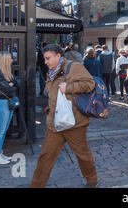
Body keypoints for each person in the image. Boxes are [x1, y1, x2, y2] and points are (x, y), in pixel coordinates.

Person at [30, 44, 98, 188]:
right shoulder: (51, 71)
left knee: (83, 155)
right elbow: (54, 93)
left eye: (48, 58)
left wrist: (69, 87)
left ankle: (92, 180)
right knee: (45, 156)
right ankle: (36, 185)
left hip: (75, 123)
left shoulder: (74, 67)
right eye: (44, 59)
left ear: (58, 56)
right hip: (55, 122)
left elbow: (90, 84)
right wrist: (51, 107)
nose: (45, 62)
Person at [0, 51, 18, 164]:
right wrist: (12, 84)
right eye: (10, 59)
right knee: (1, 130)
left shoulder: (6, 73)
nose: (12, 60)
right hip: (2, 103)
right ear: (4, 61)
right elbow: (9, 88)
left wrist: (12, 84)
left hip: (8, 102)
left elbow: (15, 82)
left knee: (4, 129)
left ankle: (0, 153)